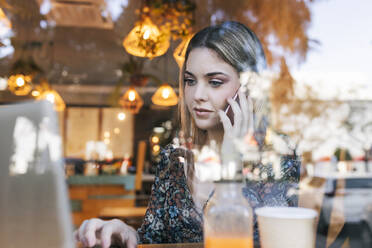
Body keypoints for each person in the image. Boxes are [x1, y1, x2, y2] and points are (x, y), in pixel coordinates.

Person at [74, 21, 299, 248]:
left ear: (248, 88)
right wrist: (125, 233)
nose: (197, 94)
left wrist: (233, 153)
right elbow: (155, 239)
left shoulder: (278, 155)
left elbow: (277, 241)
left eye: (214, 82)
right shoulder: (174, 157)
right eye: (190, 81)